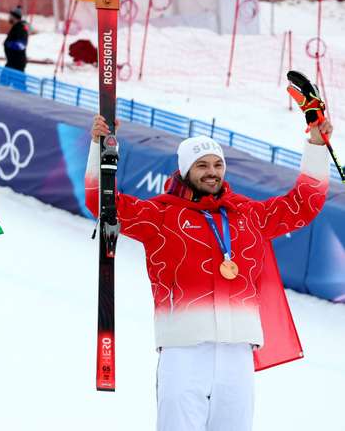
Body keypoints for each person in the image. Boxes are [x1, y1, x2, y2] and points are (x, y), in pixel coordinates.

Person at [86, 113, 332, 431]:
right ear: (185, 170)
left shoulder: (247, 214)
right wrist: (98, 147)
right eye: (202, 165)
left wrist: (315, 143)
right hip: (183, 349)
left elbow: (302, 205)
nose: (212, 172)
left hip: (238, 352)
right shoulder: (161, 216)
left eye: (217, 164)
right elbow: (102, 204)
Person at [0, 6, 29, 89]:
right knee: (3, 83)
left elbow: (22, 44)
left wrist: (9, 44)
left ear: (14, 17)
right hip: (11, 62)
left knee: (18, 88)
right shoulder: (16, 27)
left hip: (17, 64)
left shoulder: (21, 28)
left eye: (10, 16)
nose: (9, 18)